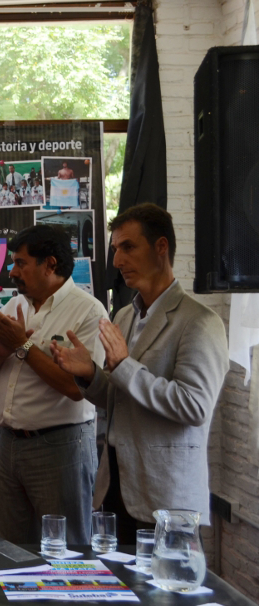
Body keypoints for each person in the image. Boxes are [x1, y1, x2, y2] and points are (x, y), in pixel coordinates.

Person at [52, 204, 229, 542]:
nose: (118, 260)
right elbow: (120, 398)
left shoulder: (200, 322)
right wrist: (89, 373)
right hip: (116, 489)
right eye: (115, 249)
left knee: (164, 580)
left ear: (161, 247)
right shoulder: (123, 316)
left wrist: (124, 365)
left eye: (128, 247)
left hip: (167, 499)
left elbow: (194, 407)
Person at [0, 225, 107, 546]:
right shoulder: (12, 307)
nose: (12, 271)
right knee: (10, 551)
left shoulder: (89, 311)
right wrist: (1, 352)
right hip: (9, 445)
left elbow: (77, 389)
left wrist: (23, 345)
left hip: (61, 448)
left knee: (65, 551)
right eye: (13, 263)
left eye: (21, 263)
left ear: (50, 265)